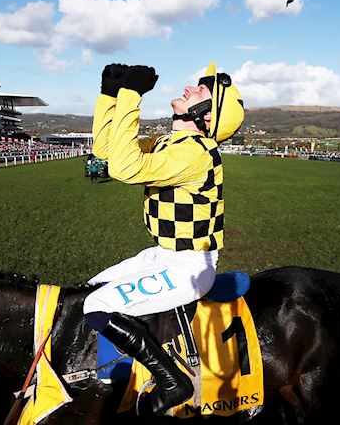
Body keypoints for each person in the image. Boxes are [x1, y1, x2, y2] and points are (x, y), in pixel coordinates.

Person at [82, 62, 244, 416]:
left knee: (95, 306)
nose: (190, 89)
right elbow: (108, 154)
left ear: (206, 115)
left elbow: (124, 170)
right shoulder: (173, 142)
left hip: (189, 267)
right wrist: (109, 97)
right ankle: (114, 374)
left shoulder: (194, 151)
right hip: (164, 254)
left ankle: (173, 382)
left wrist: (132, 95)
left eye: (200, 91)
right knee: (91, 286)